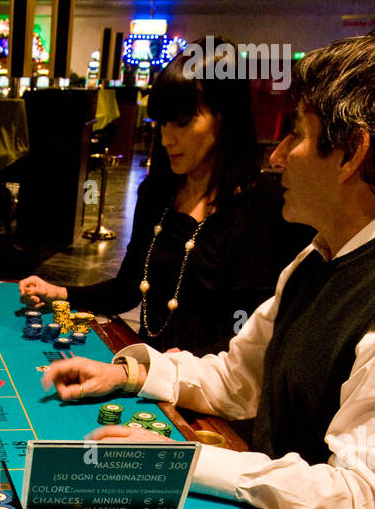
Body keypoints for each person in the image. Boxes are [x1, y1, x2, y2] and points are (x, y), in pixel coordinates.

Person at [42, 32, 375, 509]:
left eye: (297, 136)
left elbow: (357, 501)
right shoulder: (314, 262)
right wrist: (129, 372)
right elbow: (239, 380)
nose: (278, 158)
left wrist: (187, 464)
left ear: (351, 152)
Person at [20, 37, 312, 355]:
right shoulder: (156, 193)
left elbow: (260, 329)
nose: (166, 138)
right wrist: (60, 291)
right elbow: (128, 289)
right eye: (162, 123)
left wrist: (189, 367)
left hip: (211, 391)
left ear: (225, 116)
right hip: (147, 374)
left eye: (182, 123)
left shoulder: (268, 205)